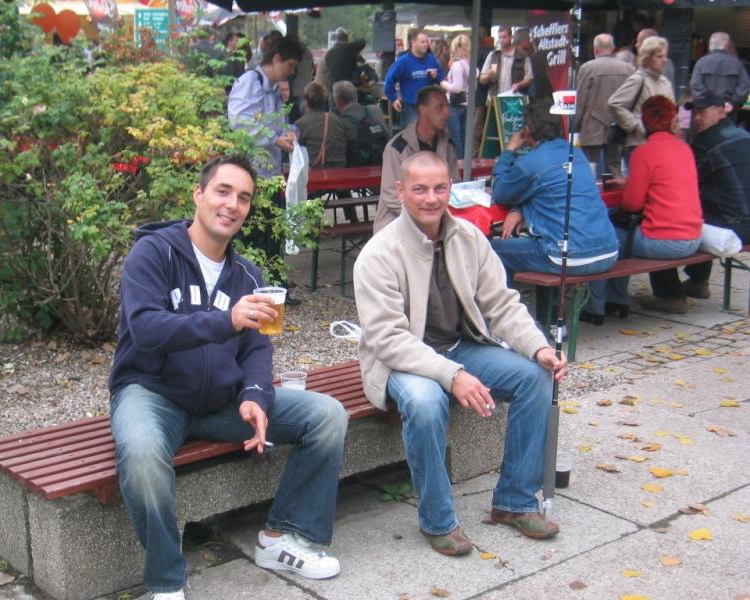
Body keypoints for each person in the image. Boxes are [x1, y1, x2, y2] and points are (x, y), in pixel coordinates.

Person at [109, 155, 348, 600]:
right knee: (142, 456)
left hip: (221, 400)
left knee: (327, 414)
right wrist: (226, 320)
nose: (232, 205)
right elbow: (146, 330)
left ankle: (280, 539)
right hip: (153, 393)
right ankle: (166, 581)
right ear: (198, 195)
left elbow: (257, 347)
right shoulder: (153, 253)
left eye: (244, 198)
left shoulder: (247, 274)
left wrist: (255, 395)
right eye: (223, 191)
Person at [354, 151, 567, 556]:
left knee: (535, 377)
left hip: (456, 348)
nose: (431, 198)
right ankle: (437, 520)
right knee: (425, 400)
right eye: (419, 189)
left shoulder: (469, 238)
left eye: (439, 188)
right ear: (400, 191)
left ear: (451, 188)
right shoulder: (378, 254)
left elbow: (502, 304)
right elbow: (387, 339)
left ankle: (515, 502)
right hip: (400, 360)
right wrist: (451, 375)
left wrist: (538, 346)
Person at [582, 96, 702, 321]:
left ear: (644, 120)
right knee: (622, 237)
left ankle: (595, 307)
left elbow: (631, 204)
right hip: (693, 237)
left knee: (605, 239)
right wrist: (631, 182)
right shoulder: (684, 149)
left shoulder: (644, 153)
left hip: (665, 241)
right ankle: (617, 299)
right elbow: (667, 182)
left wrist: (631, 186)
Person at [488, 102, 618, 279]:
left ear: (528, 130)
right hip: (609, 250)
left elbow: (500, 194)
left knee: (488, 249)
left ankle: (504, 307)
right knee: (537, 243)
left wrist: (509, 150)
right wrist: (519, 210)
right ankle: (588, 307)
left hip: (570, 256)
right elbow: (552, 191)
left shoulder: (530, 163)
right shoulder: (576, 154)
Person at [655, 90, 750, 302]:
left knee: (659, 227)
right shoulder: (743, 135)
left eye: (702, 112)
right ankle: (698, 281)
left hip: (734, 228)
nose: (697, 118)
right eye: (695, 112)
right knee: (702, 211)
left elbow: (678, 184)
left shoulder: (706, 142)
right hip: (741, 220)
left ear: (720, 111)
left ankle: (669, 297)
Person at [228, 35, 302, 303]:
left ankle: (275, 290)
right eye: (291, 66)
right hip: (252, 175)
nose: (292, 73)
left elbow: (279, 125)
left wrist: (290, 133)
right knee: (254, 236)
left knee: (273, 233)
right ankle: (251, 291)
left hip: (272, 175)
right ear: (277, 59)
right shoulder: (251, 82)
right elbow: (240, 124)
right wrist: (274, 137)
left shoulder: (272, 89)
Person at [374, 85, 458, 234]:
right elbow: (391, 195)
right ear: (422, 110)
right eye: (440, 107)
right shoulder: (397, 148)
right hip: (395, 228)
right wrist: (427, 218)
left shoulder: (448, 146)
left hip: (438, 225)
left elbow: (455, 189)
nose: (447, 113)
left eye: (447, 107)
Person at [576, 33, 636, 178]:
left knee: (591, 166)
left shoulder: (587, 68)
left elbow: (581, 100)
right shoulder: (629, 69)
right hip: (619, 126)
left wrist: (576, 124)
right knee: (615, 165)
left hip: (592, 125)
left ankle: (592, 197)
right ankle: (617, 197)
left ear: (595, 49)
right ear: (613, 48)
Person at [608, 35, 674, 161]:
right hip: (638, 144)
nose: (664, 60)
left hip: (661, 145)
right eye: (659, 56)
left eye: (665, 56)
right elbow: (615, 103)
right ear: (647, 58)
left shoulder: (665, 83)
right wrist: (636, 126)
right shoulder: (638, 79)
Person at [384, 30, 444, 126]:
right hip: (411, 106)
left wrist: (436, 76)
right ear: (413, 43)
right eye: (422, 42)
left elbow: (442, 78)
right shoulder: (403, 61)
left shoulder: (431, 60)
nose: (425, 45)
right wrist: (393, 98)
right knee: (412, 135)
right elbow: (389, 80)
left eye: (427, 42)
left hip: (428, 105)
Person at [295, 82, 354, 169]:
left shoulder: (300, 124)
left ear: (306, 102)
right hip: (339, 169)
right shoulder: (338, 121)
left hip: (315, 171)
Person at [690, 32, 750, 115]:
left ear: (710, 46)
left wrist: (706, 104)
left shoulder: (701, 63)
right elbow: (744, 86)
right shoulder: (737, 64)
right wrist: (732, 103)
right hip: (729, 111)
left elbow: (695, 85)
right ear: (726, 46)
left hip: (707, 111)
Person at [332, 80, 389, 166]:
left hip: (358, 168)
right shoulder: (375, 110)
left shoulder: (338, 122)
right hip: (382, 162)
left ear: (338, 101)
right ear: (356, 97)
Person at [478, 27, 534, 99]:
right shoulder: (493, 55)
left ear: (511, 37)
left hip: (515, 98)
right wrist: (487, 75)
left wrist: (519, 85)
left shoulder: (522, 55)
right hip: (495, 98)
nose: (501, 40)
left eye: (504, 37)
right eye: (500, 37)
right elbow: (481, 79)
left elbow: (529, 78)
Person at [440, 34, 472, 158]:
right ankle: (465, 164)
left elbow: (457, 88)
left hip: (455, 104)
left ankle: (458, 165)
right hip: (468, 103)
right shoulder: (470, 64)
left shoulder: (457, 65)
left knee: (455, 139)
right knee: (465, 138)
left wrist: (443, 83)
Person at [514, 28, 554, 101]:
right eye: (530, 39)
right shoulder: (520, 58)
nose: (531, 42)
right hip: (526, 99)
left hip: (541, 99)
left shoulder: (537, 57)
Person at [325, 29, 367, 93]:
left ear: (337, 40)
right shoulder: (349, 48)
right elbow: (363, 41)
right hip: (345, 87)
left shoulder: (329, 53)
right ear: (346, 40)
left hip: (332, 87)